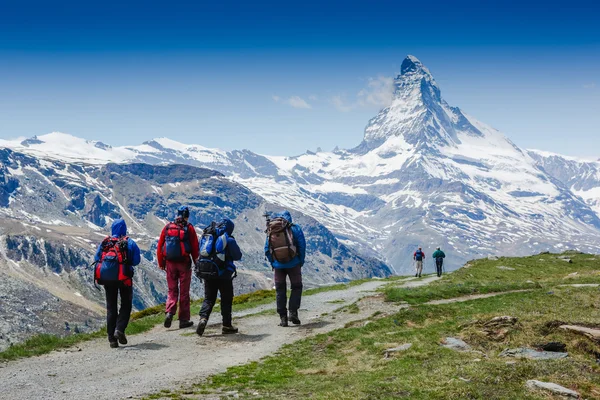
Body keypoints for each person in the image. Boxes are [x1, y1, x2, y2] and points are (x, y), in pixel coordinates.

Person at [94, 218, 141, 348]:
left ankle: (112, 339)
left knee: (111, 307)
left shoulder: (105, 243)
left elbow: (97, 258)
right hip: (124, 278)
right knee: (126, 305)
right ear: (124, 229)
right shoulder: (129, 243)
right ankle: (119, 329)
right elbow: (136, 261)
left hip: (108, 280)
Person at [195, 218, 243, 336]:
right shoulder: (229, 240)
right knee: (226, 299)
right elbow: (238, 256)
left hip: (208, 273)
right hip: (224, 275)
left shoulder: (207, 237)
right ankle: (227, 325)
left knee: (209, 299)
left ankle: (203, 319)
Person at [157, 206, 199, 329]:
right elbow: (195, 248)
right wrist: (197, 264)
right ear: (187, 215)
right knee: (184, 292)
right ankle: (183, 319)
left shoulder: (168, 227)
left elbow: (160, 246)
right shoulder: (189, 228)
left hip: (170, 263)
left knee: (172, 290)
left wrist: (161, 263)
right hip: (184, 263)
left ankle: (170, 312)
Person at [264, 210, 306, 327]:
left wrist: (273, 262)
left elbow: (267, 249)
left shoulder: (272, 229)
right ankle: (293, 313)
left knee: (280, 291)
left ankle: (283, 318)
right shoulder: (295, 228)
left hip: (278, 266)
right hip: (294, 264)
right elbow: (302, 246)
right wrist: (300, 261)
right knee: (296, 287)